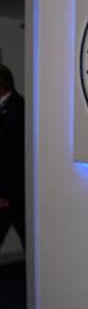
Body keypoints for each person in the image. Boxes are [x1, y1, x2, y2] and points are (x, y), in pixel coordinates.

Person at [0, 63, 25, 251]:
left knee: (28, 239)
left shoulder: (18, 108)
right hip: (7, 193)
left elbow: (14, 156)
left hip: (13, 194)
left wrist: (5, 194)